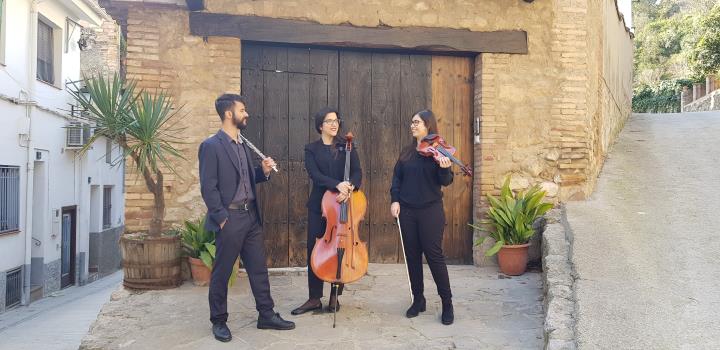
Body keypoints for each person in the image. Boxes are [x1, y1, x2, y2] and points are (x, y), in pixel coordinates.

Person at [198, 93, 295, 343]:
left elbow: (244, 179)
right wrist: (221, 218)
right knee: (222, 271)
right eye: (242, 110)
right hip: (229, 217)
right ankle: (218, 320)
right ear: (229, 114)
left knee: (258, 269)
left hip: (250, 216)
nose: (246, 114)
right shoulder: (211, 146)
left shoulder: (241, 144)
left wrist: (262, 172)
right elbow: (209, 187)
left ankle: (266, 314)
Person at [291, 107, 362, 315]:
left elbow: (357, 172)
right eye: (329, 121)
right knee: (316, 250)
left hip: (343, 205)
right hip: (319, 207)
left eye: (336, 120)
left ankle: (334, 296)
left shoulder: (347, 146)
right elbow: (315, 175)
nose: (334, 124)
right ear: (320, 125)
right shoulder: (311, 149)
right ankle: (314, 298)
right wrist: (337, 185)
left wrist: (349, 187)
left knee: (340, 249)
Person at [389, 109, 455, 325]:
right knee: (412, 257)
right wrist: (395, 200)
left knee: (434, 256)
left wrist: (445, 168)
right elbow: (397, 179)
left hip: (430, 210)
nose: (413, 125)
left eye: (417, 122)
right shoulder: (407, 152)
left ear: (428, 126)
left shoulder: (437, 151)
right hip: (407, 211)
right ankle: (418, 299)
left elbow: (445, 181)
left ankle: (447, 303)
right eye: (412, 122)